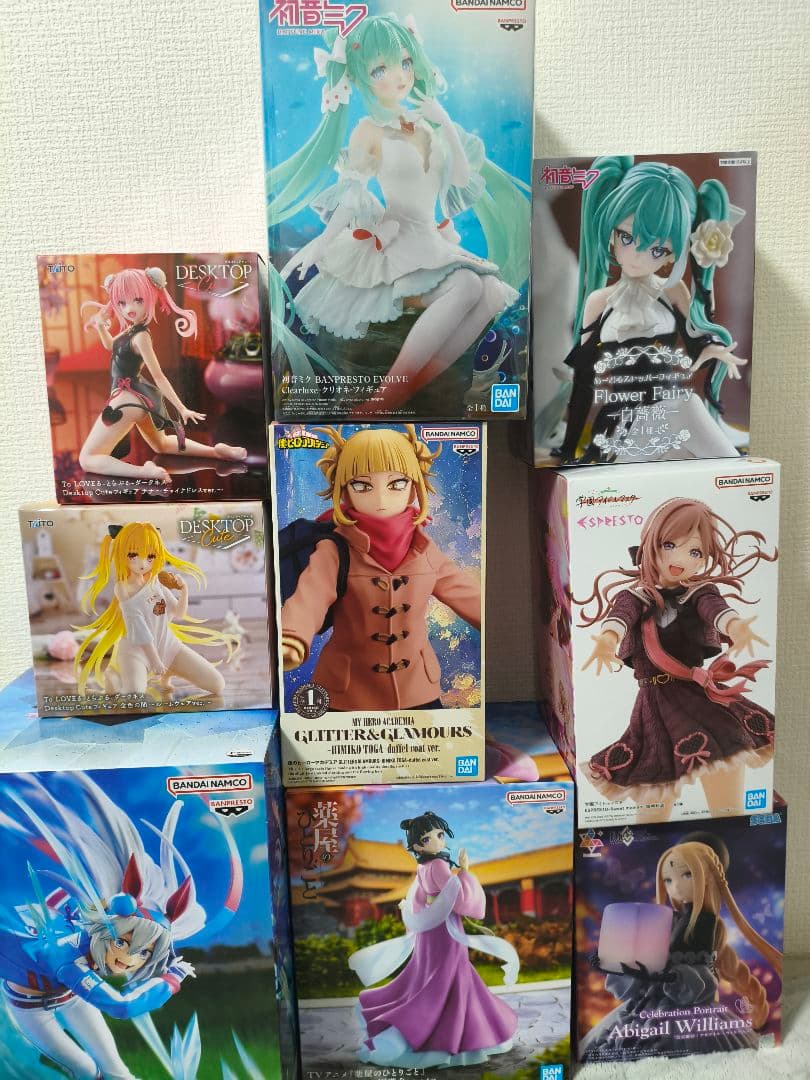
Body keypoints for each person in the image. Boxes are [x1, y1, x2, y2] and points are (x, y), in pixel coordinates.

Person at [268, 13, 529, 414]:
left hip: (432, 240)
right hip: (399, 243)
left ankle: (402, 393)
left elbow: (461, 179)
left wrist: (445, 122)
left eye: (405, 63)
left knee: (490, 292)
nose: (399, 76)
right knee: (467, 286)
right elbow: (353, 193)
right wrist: (323, 242)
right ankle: (385, 397)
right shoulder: (369, 131)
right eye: (380, 70)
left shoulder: (429, 125)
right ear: (360, 78)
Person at [578, 498, 777, 822]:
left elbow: (716, 610)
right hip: (654, 705)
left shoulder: (700, 593)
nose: (680, 559)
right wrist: (607, 639)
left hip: (699, 698)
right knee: (654, 791)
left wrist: (735, 626)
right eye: (669, 545)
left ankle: (733, 832)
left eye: (695, 551)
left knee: (725, 777)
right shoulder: (634, 597)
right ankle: (650, 846)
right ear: (650, 543)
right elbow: (620, 616)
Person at [553, 157, 746, 463]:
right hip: (624, 426)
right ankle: (737, 475)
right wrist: (569, 449)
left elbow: (697, 338)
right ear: (611, 231)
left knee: (683, 448)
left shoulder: (672, 291)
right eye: (627, 237)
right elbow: (584, 382)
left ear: (672, 255)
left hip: (669, 419)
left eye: (657, 249)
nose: (637, 256)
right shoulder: (600, 302)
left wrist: (711, 347)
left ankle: (736, 477)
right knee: (688, 407)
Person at [280, 425, 480, 711]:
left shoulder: (424, 548)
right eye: (362, 486)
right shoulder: (334, 549)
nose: (381, 499)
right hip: (348, 692)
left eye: (397, 484)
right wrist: (292, 637)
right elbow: (310, 597)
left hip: (417, 688)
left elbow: (463, 591)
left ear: (414, 487)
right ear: (344, 490)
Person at [348, 811, 519, 1068]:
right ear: (418, 846)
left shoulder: (423, 866)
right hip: (445, 931)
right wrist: (465, 872)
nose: (438, 841)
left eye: (440, 835)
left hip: (429, 932)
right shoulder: (438, 865)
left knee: (433, 976)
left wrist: (435, 899)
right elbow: (460, 899)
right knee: (448, 978)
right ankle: (450, 1037)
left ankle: (447, 1032)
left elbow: (422, 898)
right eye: (429, 839)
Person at [81, 265, 246, 483]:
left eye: (137, 300)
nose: (129, 308)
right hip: (141, 397)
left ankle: (145, 472)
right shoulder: (130, 331)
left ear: (150, 297)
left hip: (126, 400)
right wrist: (101, 327)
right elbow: (111, 345)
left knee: (88, 458)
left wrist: (181, 408)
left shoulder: (141, 337)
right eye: (122, 303)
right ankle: (217, 452)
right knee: (162, 444)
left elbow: (159, 376)